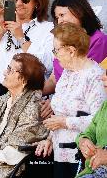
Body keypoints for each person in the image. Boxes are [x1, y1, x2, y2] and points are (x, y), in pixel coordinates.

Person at [35, 23, 107, 178]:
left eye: (56, 50)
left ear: (71, 51)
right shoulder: (67, 73)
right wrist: (49, 139)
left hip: (83, 155)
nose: (54, 55)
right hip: (60, 152)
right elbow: (58, 114)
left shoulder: (95, 77)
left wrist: (65, 122)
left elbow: (99, 120)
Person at [75, 73, 107, 178]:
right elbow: (88, 132)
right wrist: (83, 141)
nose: (103, 77)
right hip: (93, 172)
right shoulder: (105, 106)